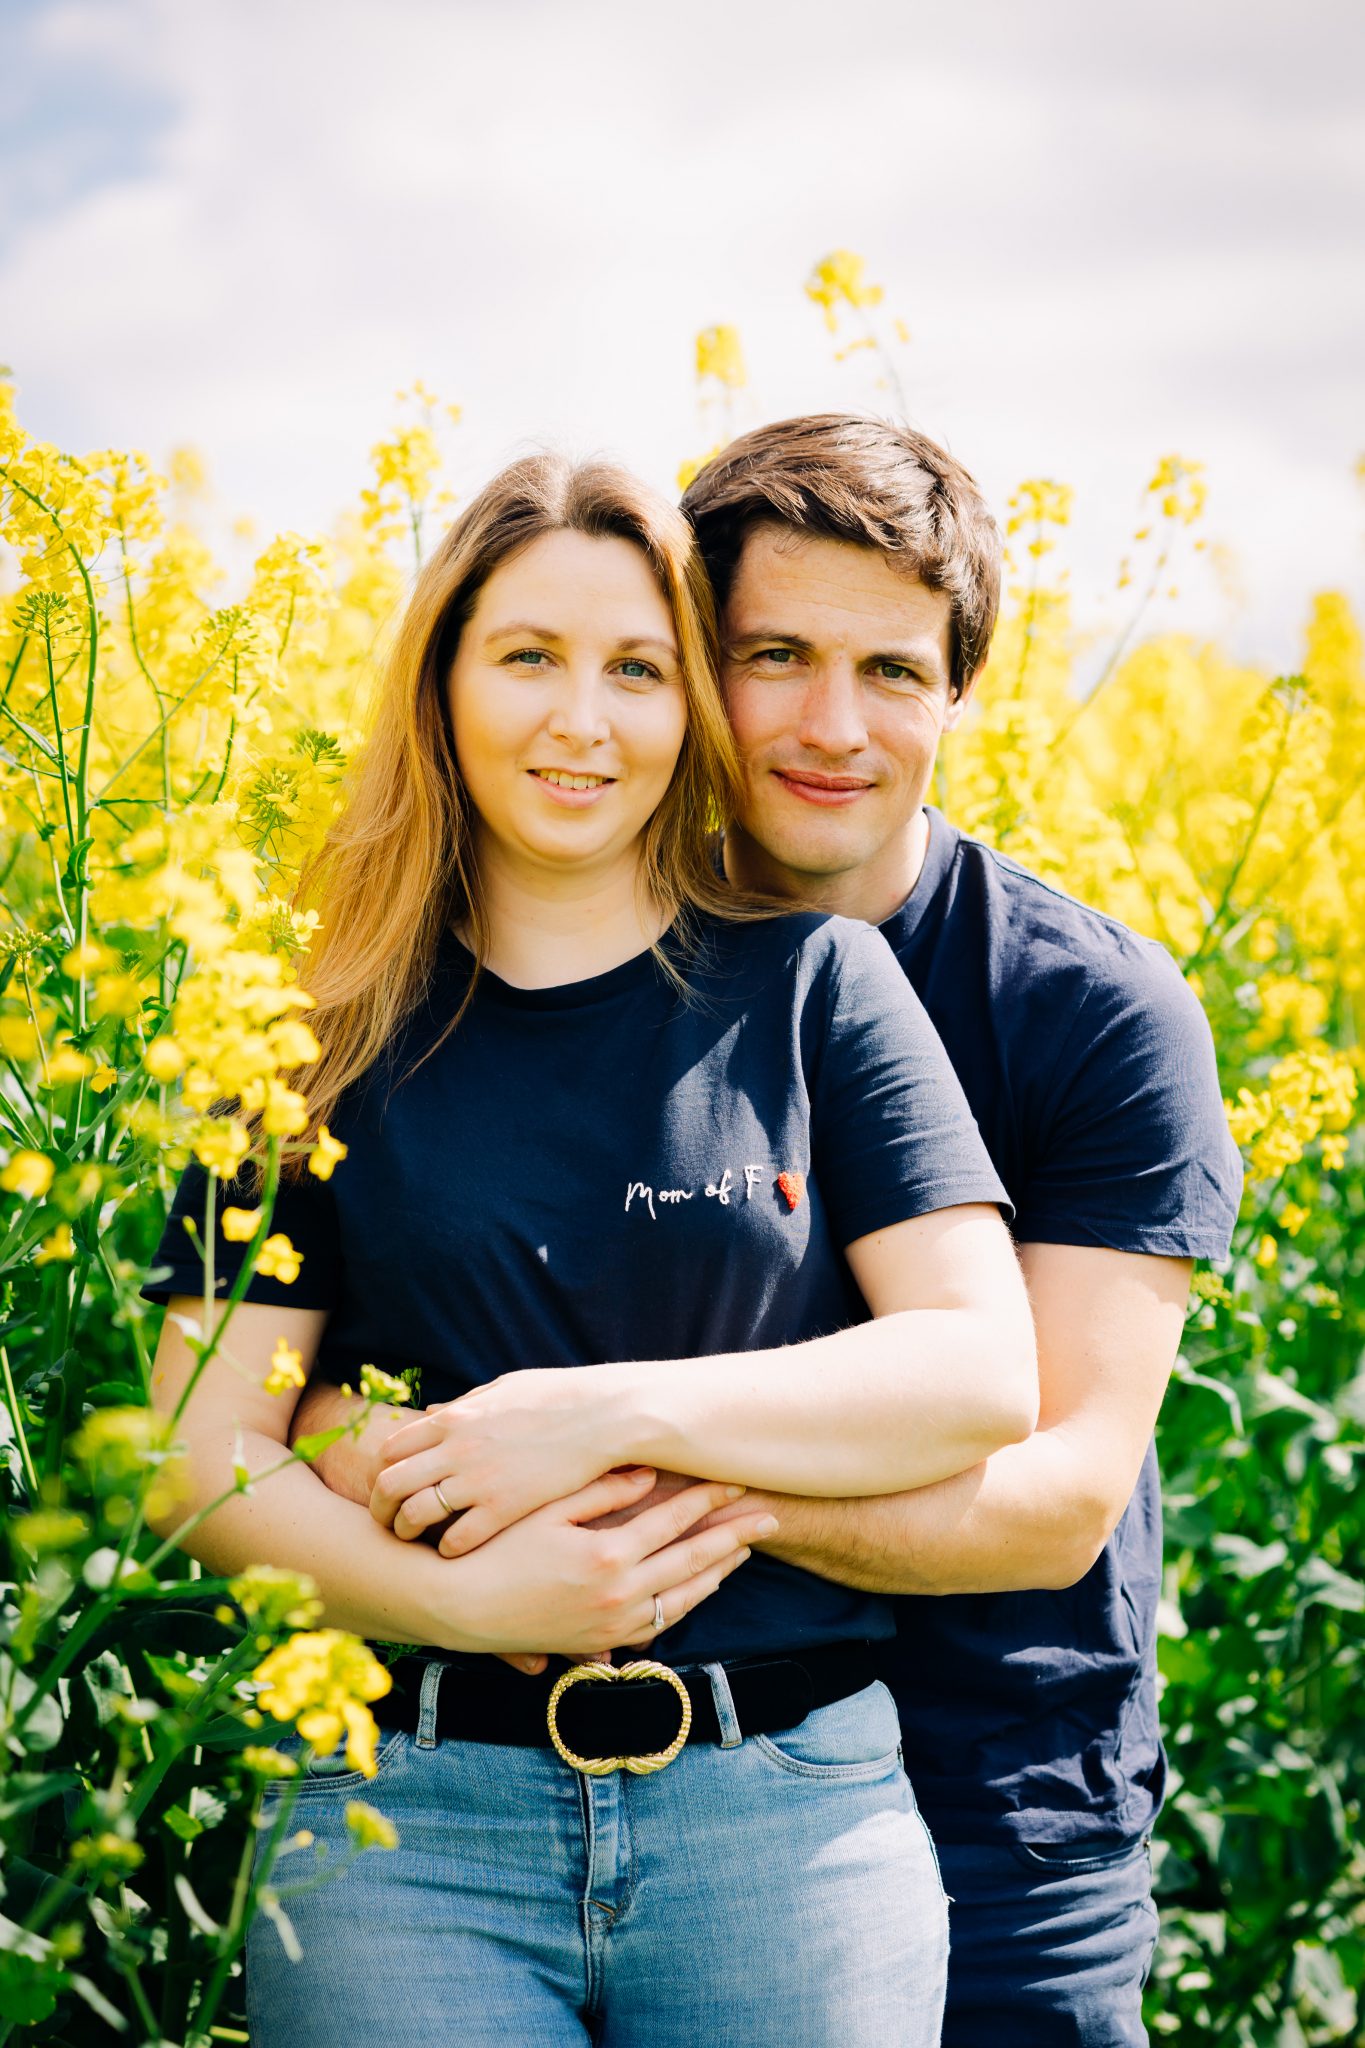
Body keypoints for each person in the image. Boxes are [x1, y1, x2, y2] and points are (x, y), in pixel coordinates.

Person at [297, 412, 1244, 2047]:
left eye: (891, 673)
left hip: (1006, 1817)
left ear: (957, 696)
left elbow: (1052, 1502)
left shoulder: (1091, 1010)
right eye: (774, 657)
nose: (831, 726)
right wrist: (372, 1444)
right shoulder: (558, 967)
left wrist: (597, 1464)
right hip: (540, 1798)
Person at [141, 451, 1038, 2048]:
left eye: (637, 669)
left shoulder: (817, 985)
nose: (583, 719)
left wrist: (603, 1416)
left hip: (784, 1824)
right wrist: (469, 1605)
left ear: (690, 709)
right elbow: (200, 1455)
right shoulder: (307, 1030)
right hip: (401, 1827)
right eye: (527, 657)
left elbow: (974, 1374)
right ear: (442, 683)